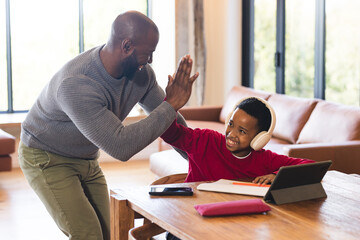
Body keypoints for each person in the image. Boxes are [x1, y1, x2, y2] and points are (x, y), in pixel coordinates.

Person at [18, 11, 198, 240]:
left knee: (113, 232)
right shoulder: (76, 84)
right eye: (148, 53)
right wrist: (170, 104)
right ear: (126, 46)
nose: (151, 60)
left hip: (86, 158)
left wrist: (204, 159)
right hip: (46, 158)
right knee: (88, 234)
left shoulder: (142, 74)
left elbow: (170, 123)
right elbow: (120, 146)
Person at [161, 97, 315, 185]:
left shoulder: (265, 159)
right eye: (231, 124)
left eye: (242, 131)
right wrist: (172, 104)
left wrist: (276, 175)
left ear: (259, 138)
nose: (232, 134)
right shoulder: (205, 140)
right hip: (191, 217)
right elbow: (169, 133)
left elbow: (311, 167)